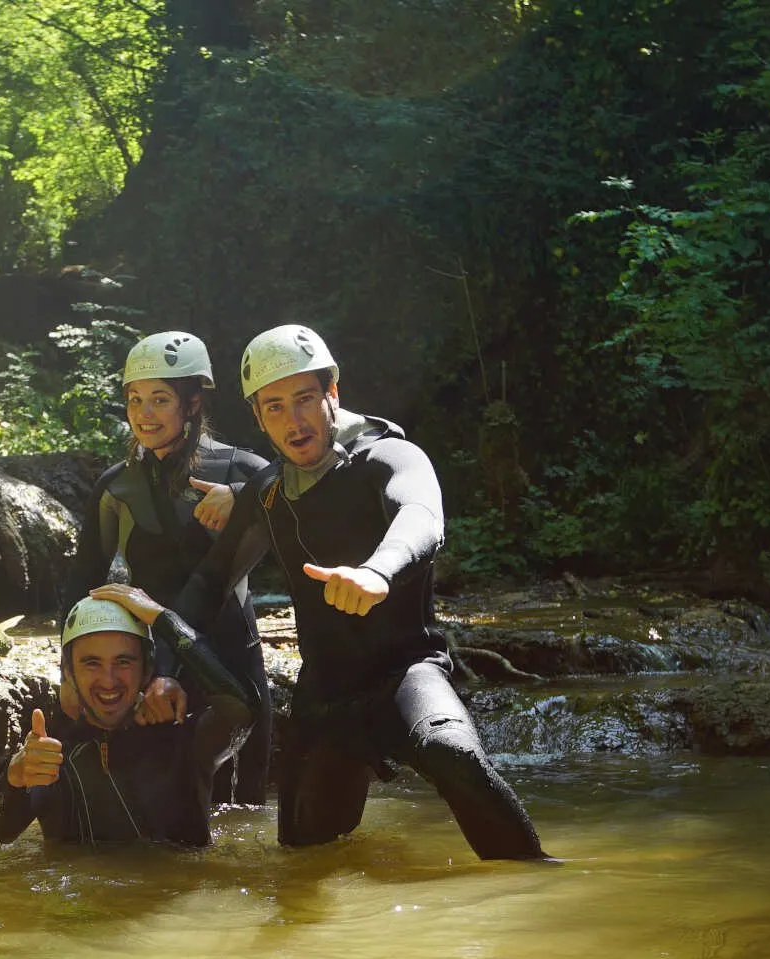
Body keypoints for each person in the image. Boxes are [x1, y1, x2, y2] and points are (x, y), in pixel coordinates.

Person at [171, 324, 550, 861]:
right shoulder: (265, 494)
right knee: (302, 859)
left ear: (333, 393)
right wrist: (155, 661)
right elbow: (211, 582)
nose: (293, 420)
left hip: (405, 672)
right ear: (258, 418)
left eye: (305, 399)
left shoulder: (389, 457)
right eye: (274, 407)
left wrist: (378, 572)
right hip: (324, 695)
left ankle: (534, 878)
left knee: (453, 753)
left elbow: (420, 514)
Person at [64, 330, 273, 805]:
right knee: (168, 818)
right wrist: (68, 674)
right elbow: (84, 583)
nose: (143, 413)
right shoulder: (116, 487)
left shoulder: (243, 470)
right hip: (151, 666)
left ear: (193, 402)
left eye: (160, 399)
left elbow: (306, 496)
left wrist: (242, 500)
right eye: (135, 400)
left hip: (231, 664)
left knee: (245, 814)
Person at [0, 585, 259, 848]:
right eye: (92, 663)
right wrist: (14, 778)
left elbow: (241, 710)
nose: (108, 680)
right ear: (68, 673)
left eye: (123, 662)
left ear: (148, 668)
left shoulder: (182, 742)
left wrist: (165, 620)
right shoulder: (53, 758)